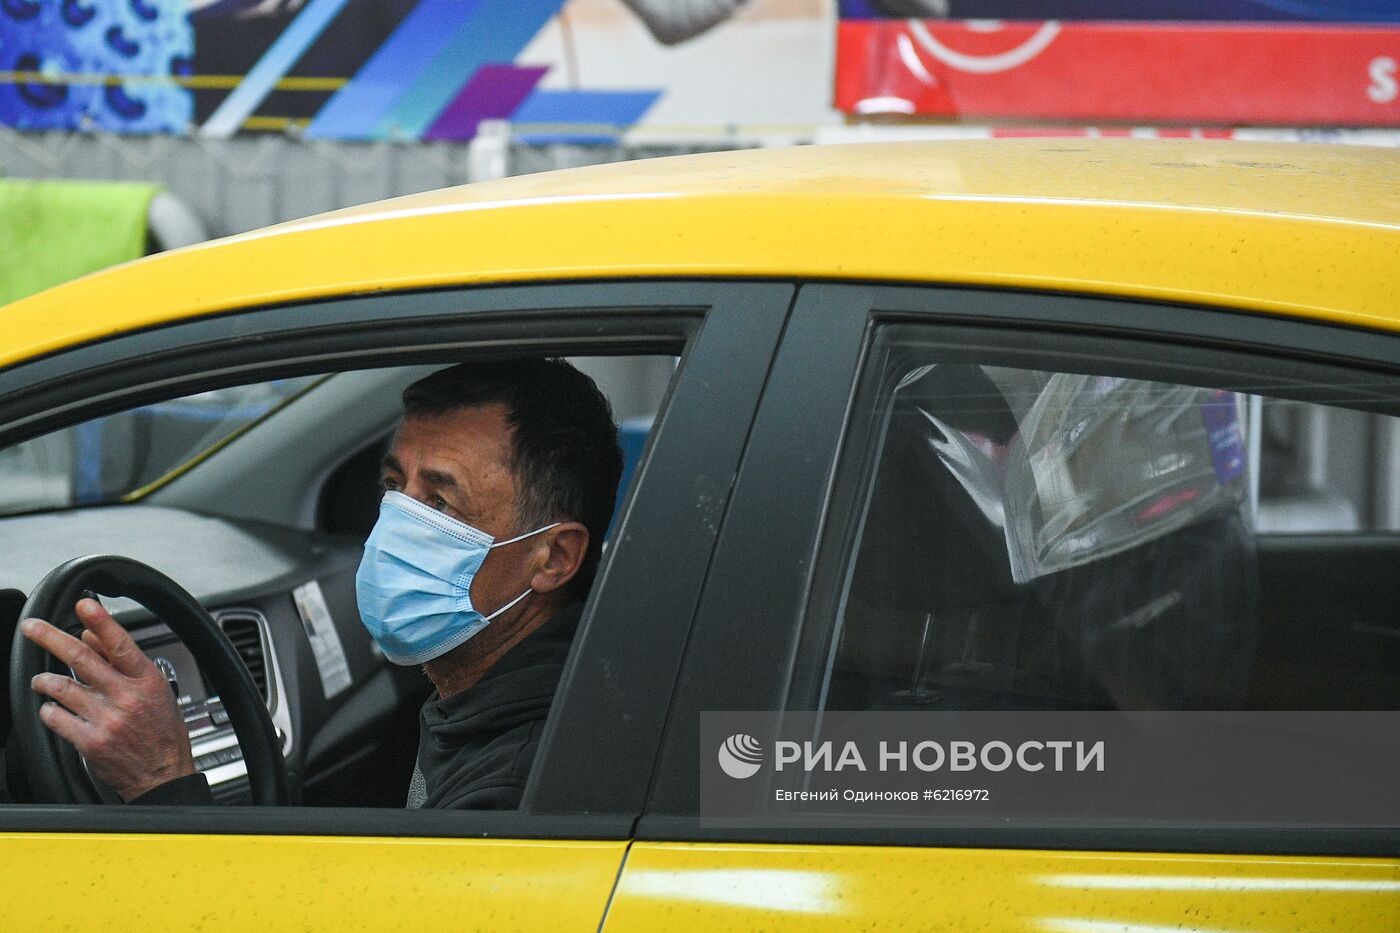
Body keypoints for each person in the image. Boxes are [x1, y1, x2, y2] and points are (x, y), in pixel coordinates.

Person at [18, 358, 623, 809]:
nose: (396, 524)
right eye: (394, 488)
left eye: (440, 502)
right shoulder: (517, 693)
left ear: (553, 557)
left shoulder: (526, 785)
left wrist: (163, 784)